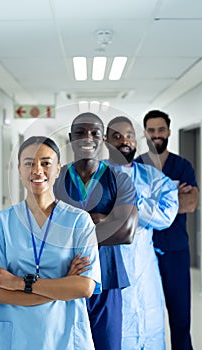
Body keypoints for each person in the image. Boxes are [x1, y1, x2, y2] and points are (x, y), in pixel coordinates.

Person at [0, 136, 102, 350]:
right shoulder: (0, 223)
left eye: (46, 163)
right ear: (19, 169)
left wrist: (17, 283)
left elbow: (84, 287)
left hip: (65, 336)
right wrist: (64, 284)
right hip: (15, 338)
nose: (37, 170)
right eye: (29, 163)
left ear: (57, 170)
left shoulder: (79, 221)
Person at [54, 112, 138, 350]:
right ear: (71, 138)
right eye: (80, 133)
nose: (87, 138)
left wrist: (74, 225)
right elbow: (48, 229)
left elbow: (127, 233)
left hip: (108, 277)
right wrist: (103, 219)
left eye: (94, 133)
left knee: (108, 345)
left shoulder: (119, 180)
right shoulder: (57, 178)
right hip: (64, 276)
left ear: (103, 140)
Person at [105, 116, 179, 350]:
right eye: (116, 136)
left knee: (151, 329)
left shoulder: (153, 178)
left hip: (145, 268)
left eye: (128, 135)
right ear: (106, 141)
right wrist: (144, 206)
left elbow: (166, 216)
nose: (123, 141)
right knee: (113, 333)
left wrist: (128, 198)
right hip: (109, 267)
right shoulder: (95, 176)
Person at [135, 110, 199, 350]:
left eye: (161, 130)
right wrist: (172, 198)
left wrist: (147, 203)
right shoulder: (137, 165)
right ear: (145, 133)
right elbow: (126, 207)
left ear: (169, 131)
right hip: (143, 254)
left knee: (180, 318)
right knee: (143, 317)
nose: (157, 135)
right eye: (151, 130)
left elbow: (191, 203)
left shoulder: (182, 165)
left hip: (175, 252)